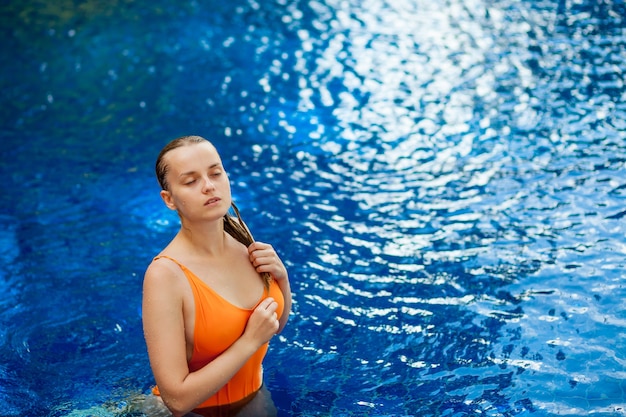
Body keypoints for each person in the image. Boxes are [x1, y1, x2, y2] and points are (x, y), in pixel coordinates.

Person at [142, 135, 292, 417]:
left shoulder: (240, 234)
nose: (209, 186)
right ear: (169, 199)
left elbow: (274, 326)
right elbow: (177, 400)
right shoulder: (165, 275)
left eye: (215, 173)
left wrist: (281, 278)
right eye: (191, 181)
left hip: (255, 401)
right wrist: (248, 341)